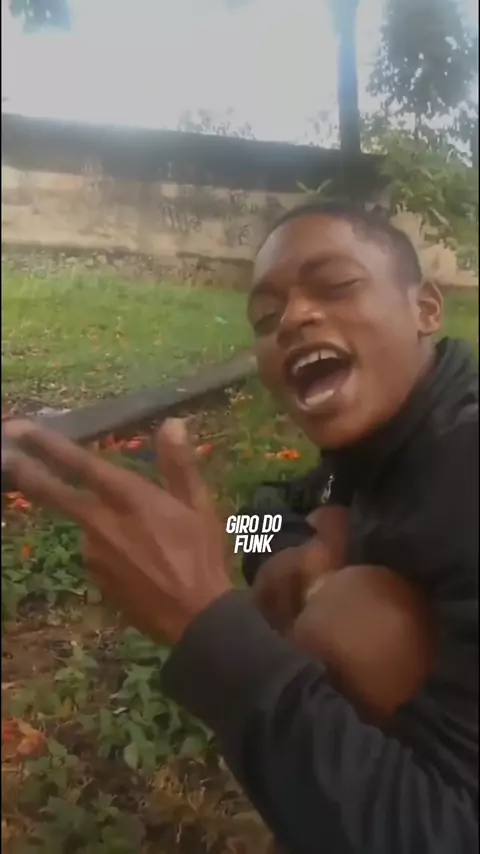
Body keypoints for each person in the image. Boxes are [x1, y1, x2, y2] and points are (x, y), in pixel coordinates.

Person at [3, 201, 478, 854]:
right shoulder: (368, 454)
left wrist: (207, 625)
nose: (294, 318)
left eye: (336, 285)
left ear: (425, 308)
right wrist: (292, 549)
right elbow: (258, 509)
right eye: (266, 317)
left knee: (357, 617)